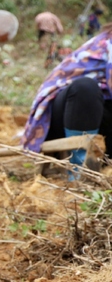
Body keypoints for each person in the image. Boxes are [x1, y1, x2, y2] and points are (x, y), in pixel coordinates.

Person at [22, 27, 111, 179]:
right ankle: (78, 170)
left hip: (101, 127)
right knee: (85, 88)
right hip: (65, 120)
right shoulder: (108, 41)